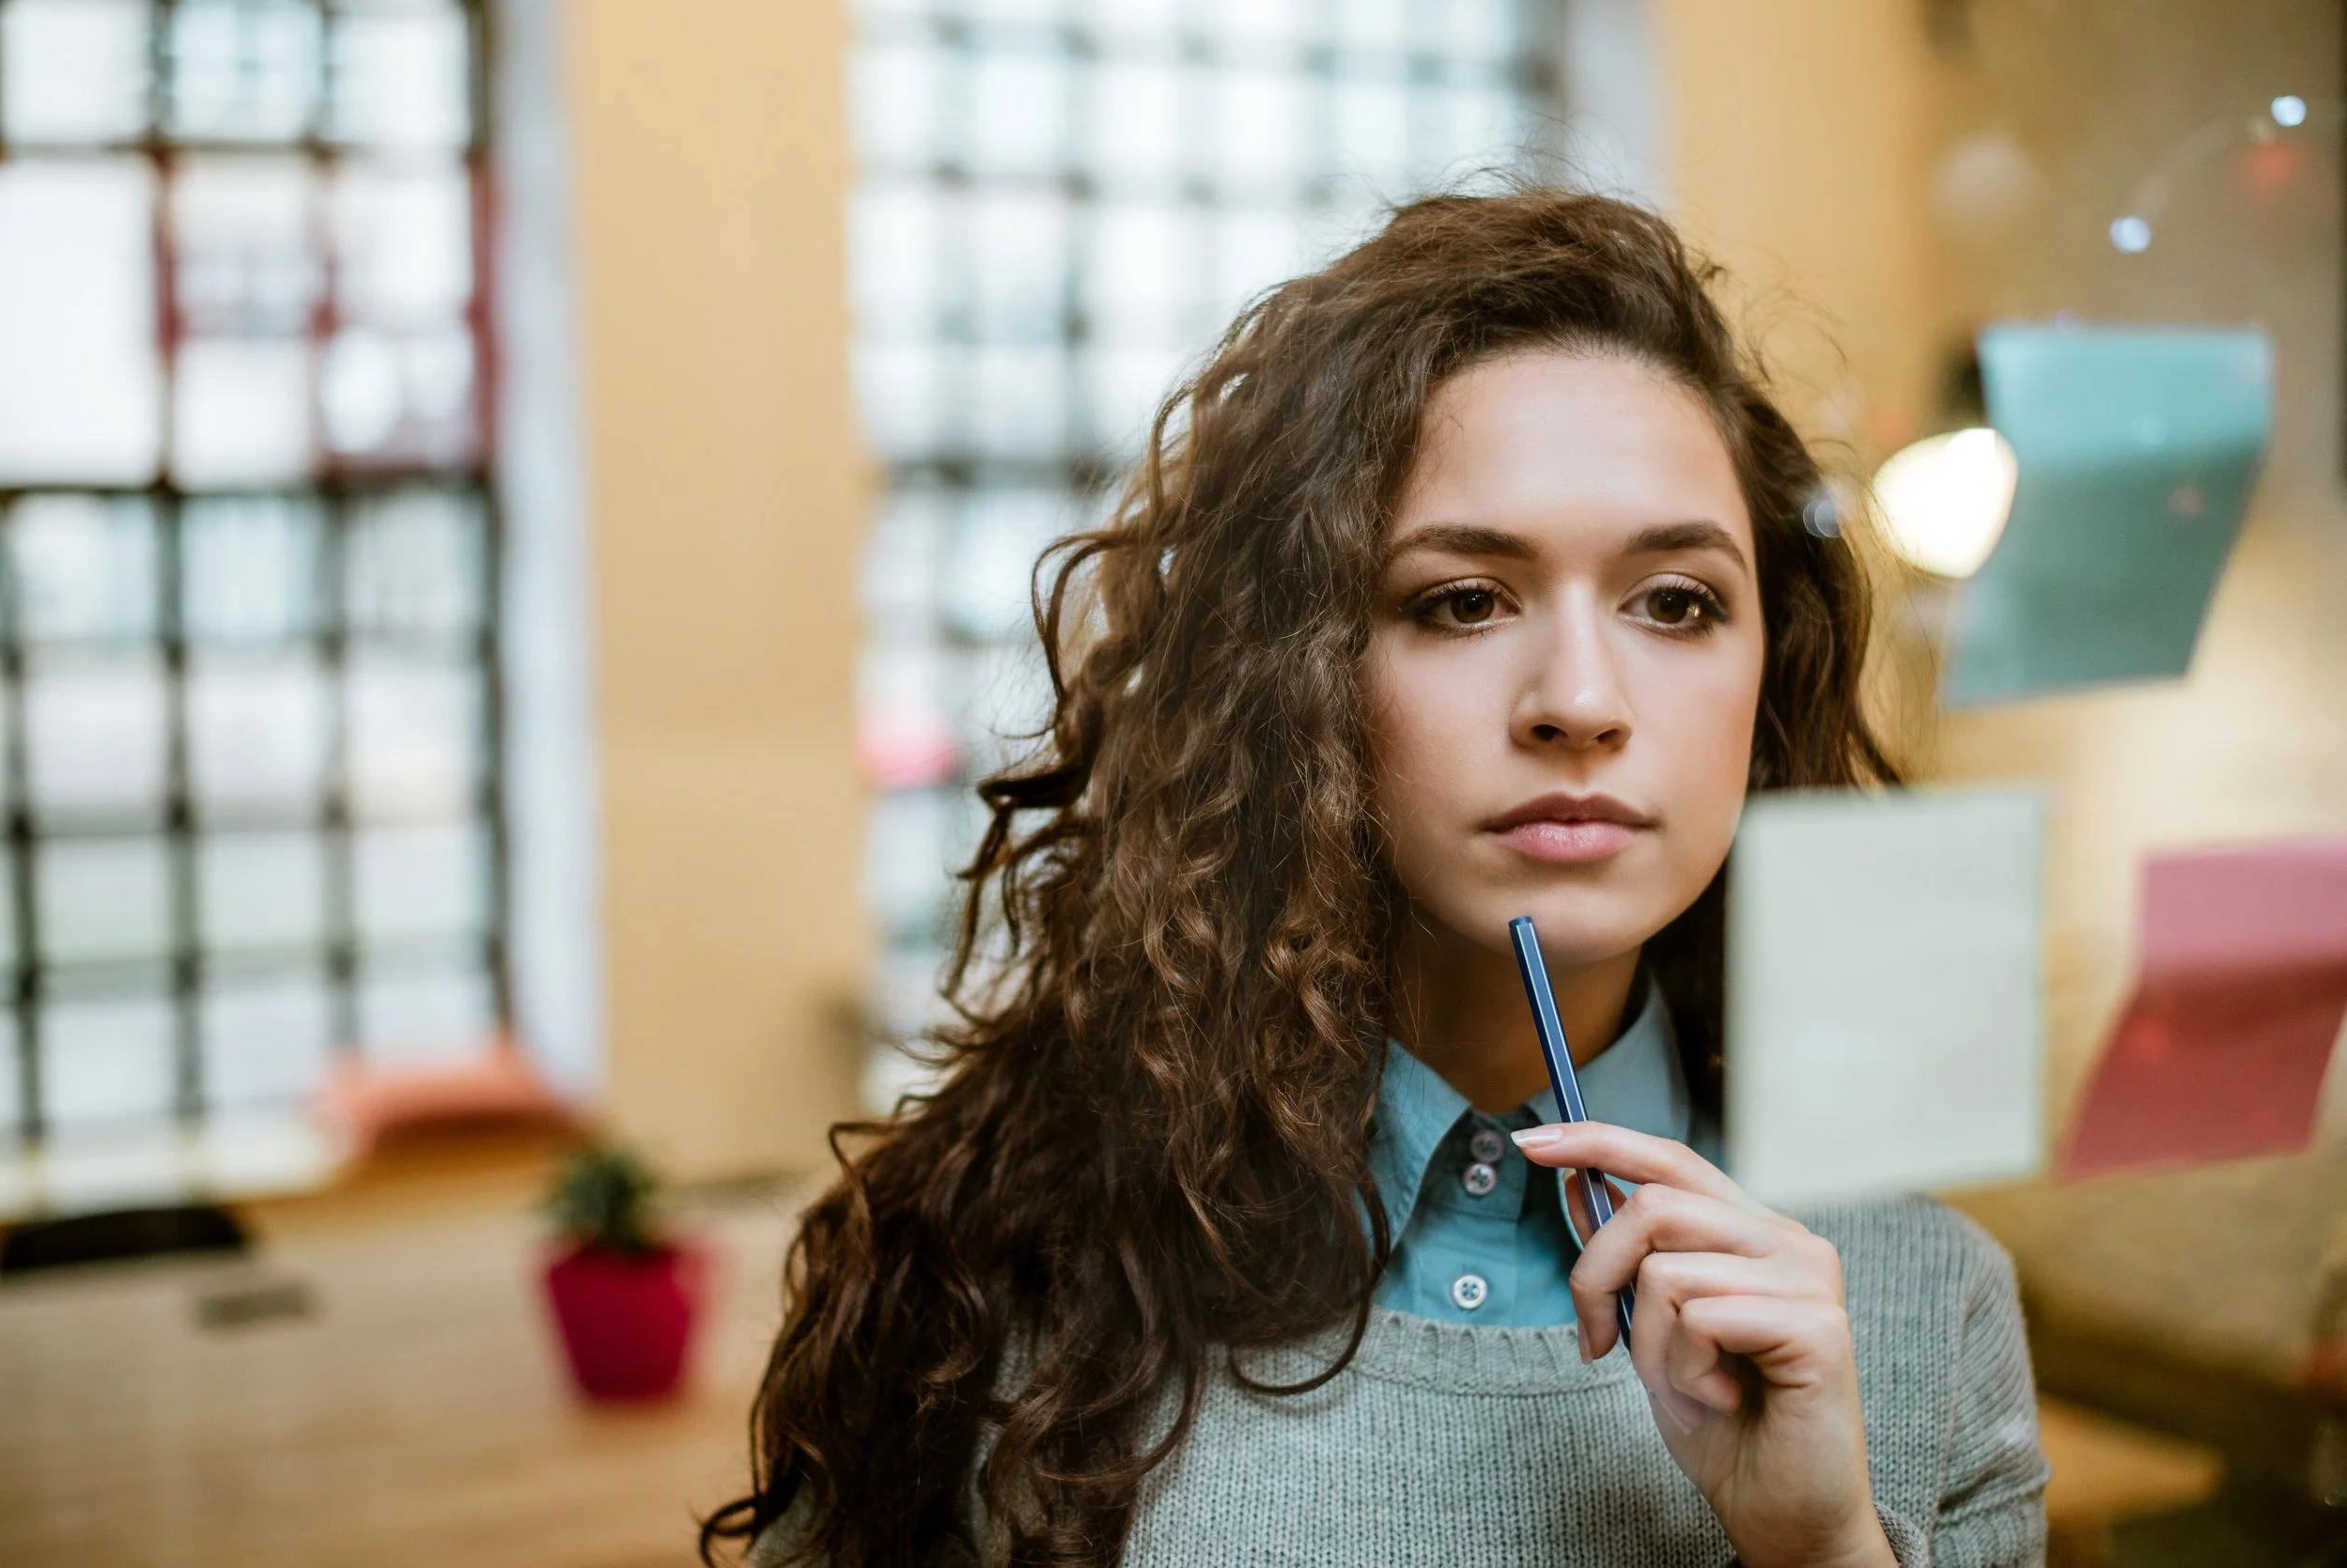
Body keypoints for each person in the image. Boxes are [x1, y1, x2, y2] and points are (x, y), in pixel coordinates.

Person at [706, 190, 2049, 1568]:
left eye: (1675, 602)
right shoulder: (1003, 1272)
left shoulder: (1919, 1306)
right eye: (1461, 600)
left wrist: (1825, 1546)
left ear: (1770, 677)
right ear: (1295, 679)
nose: (1580, 700)